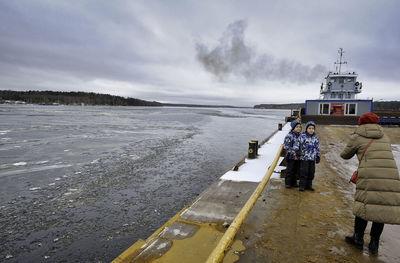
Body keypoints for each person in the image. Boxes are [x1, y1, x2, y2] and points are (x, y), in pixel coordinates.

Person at [340, 112, 400, 254]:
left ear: (361, 123)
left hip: (369, 175)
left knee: (363, 207)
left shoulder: (358, 136)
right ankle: (374, 244)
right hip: (390, 176)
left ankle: (358, 239)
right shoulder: (384, 136)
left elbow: (344, 155)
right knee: (381, 208)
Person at [294, 121, 320, 191]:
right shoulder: (302, 136)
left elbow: (317, 148)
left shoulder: (316, 138)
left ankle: (309, 185)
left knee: (311, 172)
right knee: (304, 172)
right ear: (306, 129)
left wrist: (318, 156)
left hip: (312, 158)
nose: (311, 130)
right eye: (309, 128)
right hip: (304, 157)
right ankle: (302, 185)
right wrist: (297, 151)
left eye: (312, 128)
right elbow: (297, 144)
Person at [283, 120, 302, 188]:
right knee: (290, 169)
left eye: (300, 127)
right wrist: (292, 152)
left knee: (296, 169)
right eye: (297, 127)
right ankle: (288, 183)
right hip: (291, 155)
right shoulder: (289, 135)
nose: (298, 128)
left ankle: (294, 182)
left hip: (298, 156)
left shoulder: (301, 136)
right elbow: (286, 146)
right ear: (293, 128)